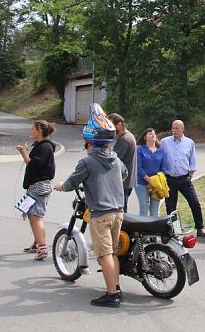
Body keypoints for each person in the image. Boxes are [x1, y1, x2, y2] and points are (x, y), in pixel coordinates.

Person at [54, 104, 127, 308]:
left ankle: (112, 295)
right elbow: (125, 174)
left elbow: (70, 184)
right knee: (112, 252)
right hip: (118, 212)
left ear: (90, 141)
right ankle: (117, 287)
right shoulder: (115, 158)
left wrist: (60, 186)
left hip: (100, 214)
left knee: (104, 254)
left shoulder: (87, 162)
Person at [16, 120, 57, 260]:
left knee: (36, 217)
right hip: (34, 186)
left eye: (33, 128)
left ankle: (42, 247)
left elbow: (33, 165)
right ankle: (37, 242)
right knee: (30, 213)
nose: (31, 130)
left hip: (39, 186)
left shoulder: (44, 147)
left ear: (39, 130)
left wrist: (23, 153)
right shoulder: (40, 145)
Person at [161, 120, 205, 238]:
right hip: (170, 179)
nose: (174, 130)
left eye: (177, 128)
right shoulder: (165, 142)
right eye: (173, 128)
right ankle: (175, 229)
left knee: (194, 202)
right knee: (171, 206)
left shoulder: (189, 143)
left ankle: (200, 228)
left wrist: (190, 175)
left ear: (183, 129)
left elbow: (193, 160)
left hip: (184, 179)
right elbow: (159, 156)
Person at [109, 113, 137, 213]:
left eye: (112, 125)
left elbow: (114, 159)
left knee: (120, 212)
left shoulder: (125, 139)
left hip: (123, 181)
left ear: (120, 124)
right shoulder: (126, 137)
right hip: (127, 181)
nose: (111, 129)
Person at [135, 128, 166, 216]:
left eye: (154, 134)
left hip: (156, 184)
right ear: (145, 137)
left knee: (154, 210)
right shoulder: (140, 149)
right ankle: (143, 229)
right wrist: (149, 181)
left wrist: (155, 182)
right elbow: (138, 167)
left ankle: (154, 229)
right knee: (143, 209)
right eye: (150, 134)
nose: (153, 135)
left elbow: (163, 168)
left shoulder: (160, 150)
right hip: (141, 183)